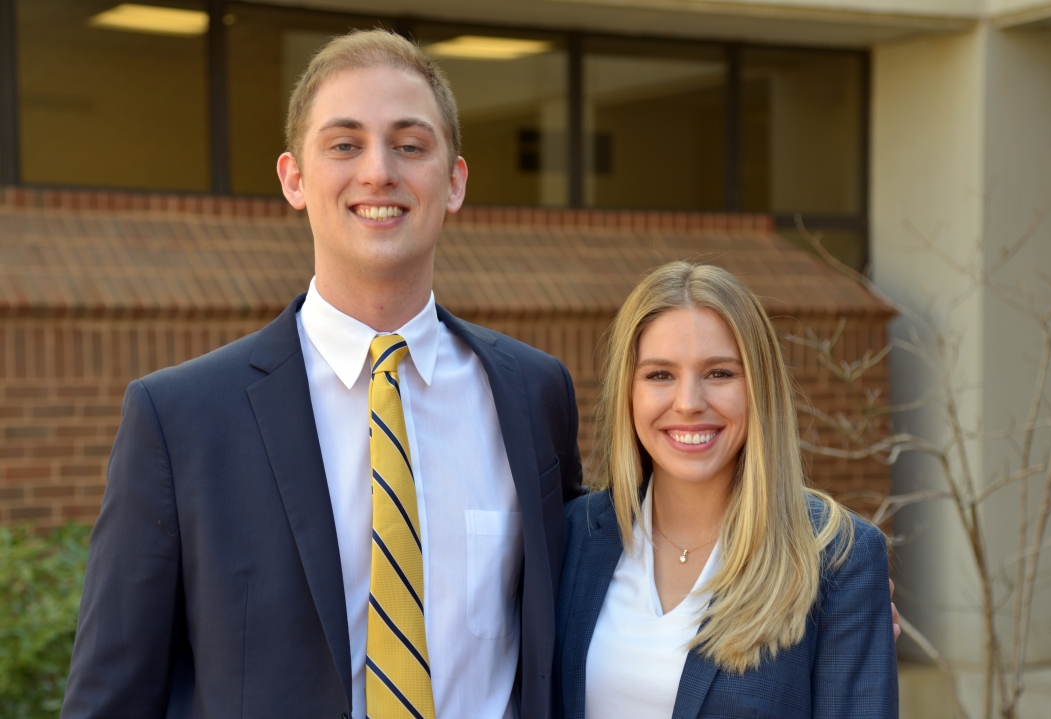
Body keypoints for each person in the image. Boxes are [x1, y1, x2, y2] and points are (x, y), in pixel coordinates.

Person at [62, 29, 581, 719]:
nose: (378, 172)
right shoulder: (180, 419)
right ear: (294, 179)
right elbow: (111, 700)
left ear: (453, 180)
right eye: (344, 144)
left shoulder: (534, 394)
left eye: (411, 144)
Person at [554, 262, 898, 718]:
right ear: (628, 391)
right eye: (660, 375)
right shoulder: (571, 535)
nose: (689, 403)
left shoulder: (835, 558)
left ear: (760, 386)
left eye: (719, 373)